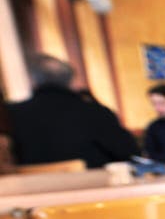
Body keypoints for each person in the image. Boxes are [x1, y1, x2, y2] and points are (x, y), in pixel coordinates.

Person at [8, 54, 139, 168]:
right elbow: (130, 155)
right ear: (71, 80)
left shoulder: (10, 114)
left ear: (33, 81)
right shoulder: (95, 112)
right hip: (93, 192)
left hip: (30, 193)